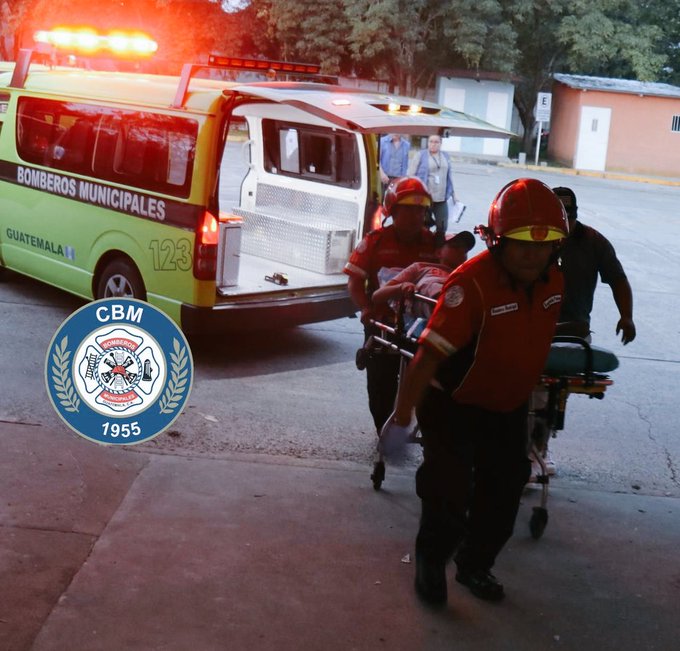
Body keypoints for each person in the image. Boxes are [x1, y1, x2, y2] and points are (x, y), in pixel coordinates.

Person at [380, 178, 569, 607]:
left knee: (504, 492)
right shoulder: (470, 286)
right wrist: (403, 415)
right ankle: (431, 562)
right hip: (453, 405)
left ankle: (473, 565)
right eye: (521, 243)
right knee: (447, 492)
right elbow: (427, 356)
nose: (532, 254)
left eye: (543, 246)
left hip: (507, 407)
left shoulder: (554, 281)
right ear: (498, 241)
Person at [344, 176, 437, 435]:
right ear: (393, 211)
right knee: (380, 385)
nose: (415, 215)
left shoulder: (435, 244)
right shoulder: (374, 242)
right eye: (408, 209)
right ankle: (383, 432)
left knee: (427, 384)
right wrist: (365, 308)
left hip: (421, 329)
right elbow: (354, 283)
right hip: (381, 323)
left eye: (420, 210)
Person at [552, 186, 636, 344]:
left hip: (575, 329)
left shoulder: (595, 242)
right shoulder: (533, 239)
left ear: (575, 215)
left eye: (568, 220)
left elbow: (618, 280)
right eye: (558, 221)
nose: (563, 227)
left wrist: (626, 316)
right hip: (534, 326)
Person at [371, 230, 476, 316]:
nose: (461, 251)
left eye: (465, 250)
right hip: (437, 303)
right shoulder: (421, 267)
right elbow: (377, 296)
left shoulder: (468, 276)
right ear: (438, 253)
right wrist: (402, 287)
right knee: (432, 285)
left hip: (461, 308)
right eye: (455, 246)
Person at [411, 135, 455, 247]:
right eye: (431, 141)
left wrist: (454, 194)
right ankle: (421, 248)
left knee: (442, 225)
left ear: (441, 143)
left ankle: (438, 249)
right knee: (423, 225)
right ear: (428, 142)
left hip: (441, 197)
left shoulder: (445, 156)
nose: (433, 144)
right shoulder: (421, 155)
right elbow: (411, 175)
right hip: (425, 197)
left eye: (436, 142)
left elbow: (449, 175)